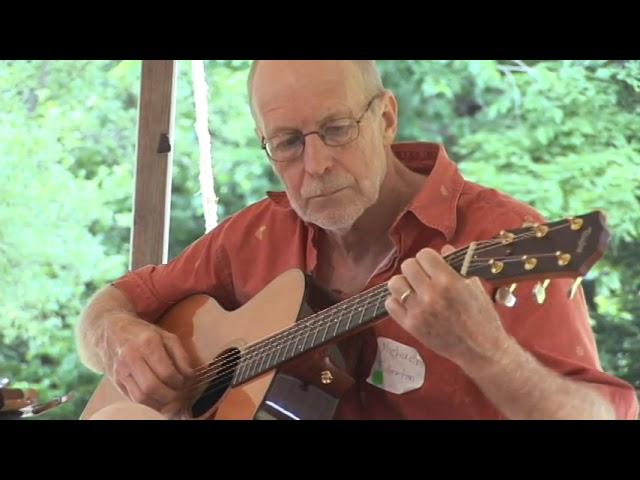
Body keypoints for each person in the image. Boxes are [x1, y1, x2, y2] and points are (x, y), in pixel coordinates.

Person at [76, 60, 638, 420]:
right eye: (289, 143)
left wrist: (484, 352)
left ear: (387, 118)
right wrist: (117, 337)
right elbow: (110, 306)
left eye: (338, 129)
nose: (316, 165)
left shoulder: (499, 237)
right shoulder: (257, 234)